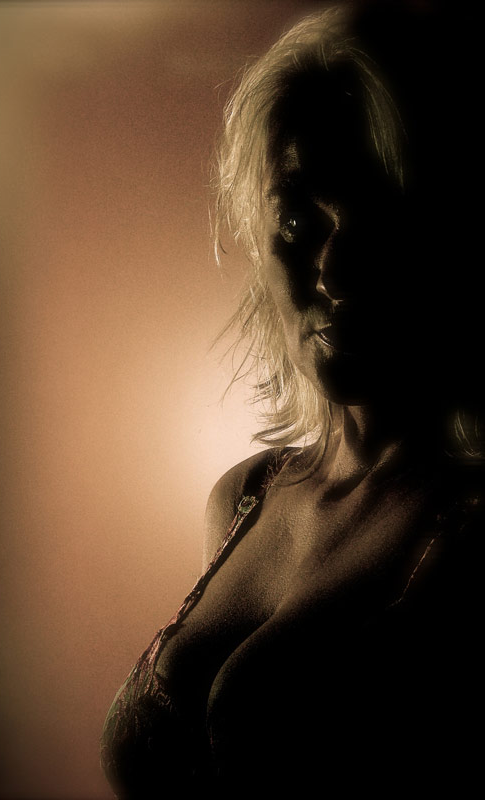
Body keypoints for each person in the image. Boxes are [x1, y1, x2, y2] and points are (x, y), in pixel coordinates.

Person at [101, 3, 484, 796]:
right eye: (299, 216)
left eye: (379, 216)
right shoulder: (243, 496)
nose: (335, 268)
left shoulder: (471, 520)